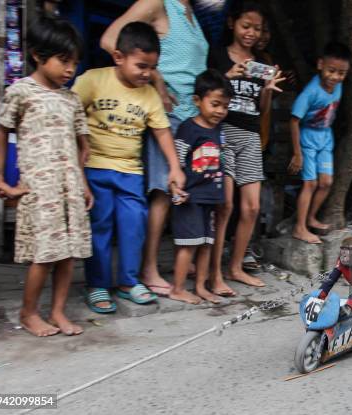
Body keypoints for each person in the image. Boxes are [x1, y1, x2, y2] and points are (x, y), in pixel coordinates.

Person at [73, 22, 187, 313]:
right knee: (100, 226)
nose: (147, 74)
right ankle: (97, 285)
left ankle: (127, 281)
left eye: (152, 67)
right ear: (118, 57)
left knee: (134, 225)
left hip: (130, 172)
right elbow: (70, 115)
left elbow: (162, 132)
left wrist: (175, 168)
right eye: (141, 66)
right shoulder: (92, 80)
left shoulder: (148, 94)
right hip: (95, 169)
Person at [0, 16, 92, 336]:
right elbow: (2, 130)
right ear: (37, 55)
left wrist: (84, 184)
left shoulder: (72, 99)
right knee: (44, 255)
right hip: (39, 188)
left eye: (74, 63)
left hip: (69, 187)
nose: (69, 69)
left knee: (68, 255)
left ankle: (58, 312)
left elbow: (83, 146)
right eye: (63, 61)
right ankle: (29, 311)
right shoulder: (21, 92)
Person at [100, 0, 209, 296]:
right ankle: (148, 268)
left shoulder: (193, 15)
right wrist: (155, 78)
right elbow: (110, 39)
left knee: (186, 191)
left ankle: (182, 262)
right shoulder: (157, 3)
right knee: (162, 190)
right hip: (168, 114)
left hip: (191, 118)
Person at [208, 0, 284, 291]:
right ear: (232, 24)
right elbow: (208, 94)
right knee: (225, 206)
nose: (251, 33)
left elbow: (262, 110)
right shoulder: (218, 56)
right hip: (224, 133)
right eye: (246, 26)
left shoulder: (263, 64)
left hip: (251, 136)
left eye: (257, 28)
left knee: (251, 208)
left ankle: (235, 267)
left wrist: (266, 90)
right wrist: (228, 76)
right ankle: (214, 275)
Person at [170, 69, 233, 304]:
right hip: (191, 197)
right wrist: (175, 187)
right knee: (189, 244)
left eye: (224, 106)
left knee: (207, 243)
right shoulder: (188, 128)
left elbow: (221, 158)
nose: (220, 111)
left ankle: (201, 287)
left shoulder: (218, 130)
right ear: (197, 101)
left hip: (211, 197)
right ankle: (177, 288)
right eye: (215, 104)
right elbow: (177, 160)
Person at [288, 42, 351, 244]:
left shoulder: (339, 87)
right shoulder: (310, 93)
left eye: (341, 73)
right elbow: (294, 121)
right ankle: (299, 228)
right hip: (307, 138)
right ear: (320, 65)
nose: (335, 77)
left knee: (326, 183)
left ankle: (310, 217)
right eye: (331, 71)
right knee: (310, 183)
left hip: (326, 137)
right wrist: (297, 154)